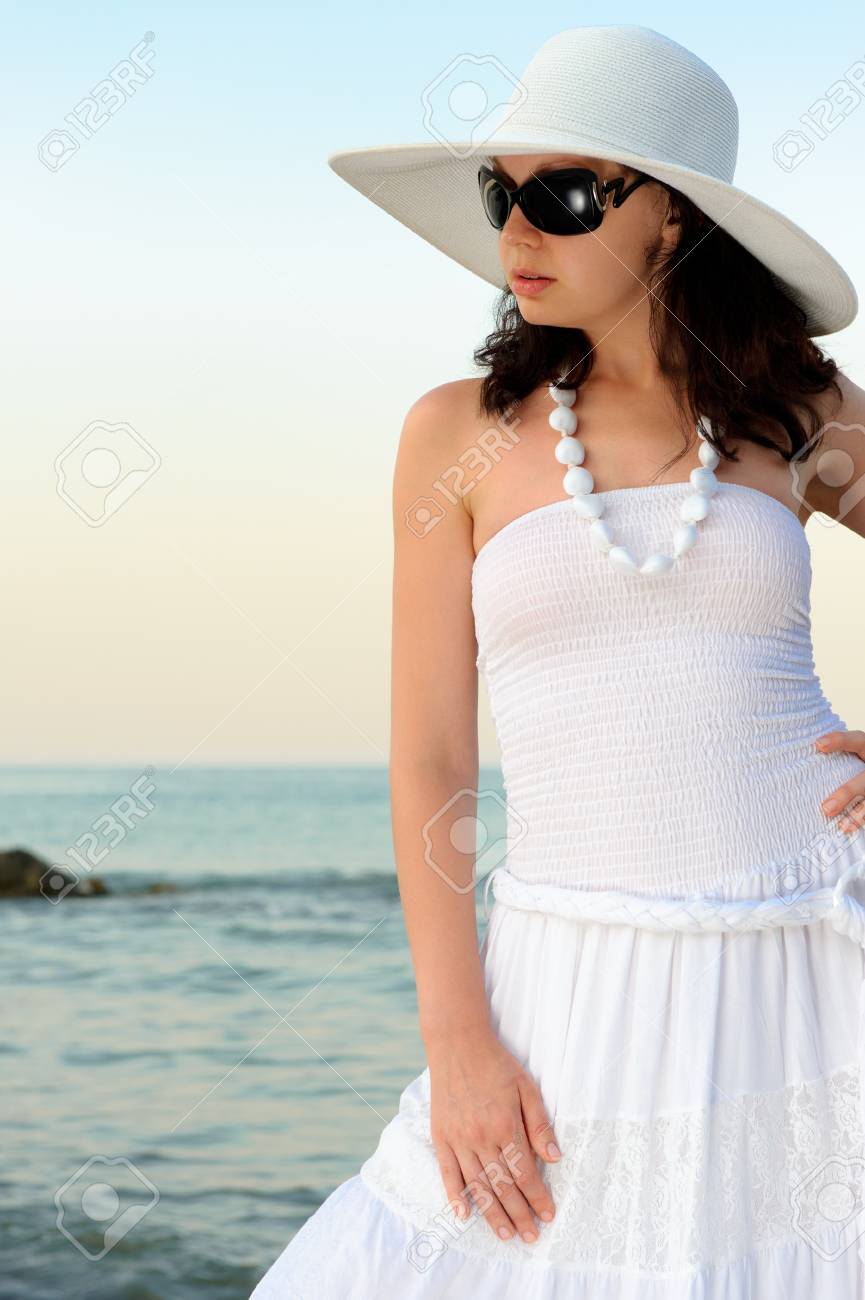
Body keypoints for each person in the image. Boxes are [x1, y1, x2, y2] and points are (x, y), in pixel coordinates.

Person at [249, 24, 865, 1297]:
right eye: (500, 195)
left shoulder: (795, 417)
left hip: (809, 953)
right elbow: (429, 755)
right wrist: (457, 1036)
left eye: (562, 194)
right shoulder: (455, 438)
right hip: (568, 976)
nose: (515, 231)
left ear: (667, 218)